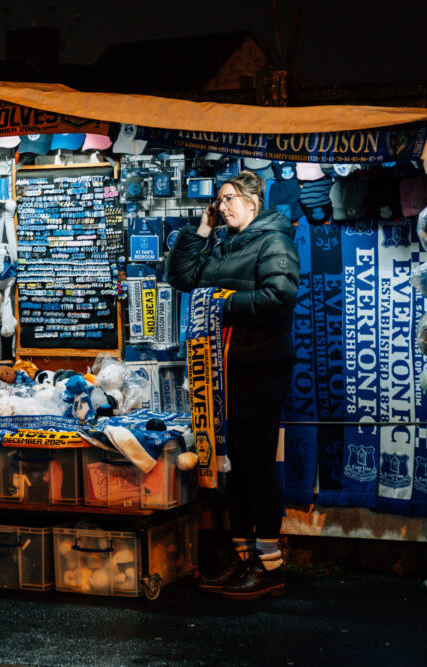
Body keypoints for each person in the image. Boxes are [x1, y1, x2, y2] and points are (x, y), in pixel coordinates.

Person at [166, 170, 299, 600]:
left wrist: (222, 304)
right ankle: (243, 556)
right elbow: (182, 278)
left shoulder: (273, 240)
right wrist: (201, 229)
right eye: (219, 202)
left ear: (252, 201)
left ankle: (270, 563)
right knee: (234, 466)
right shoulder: (223, 244)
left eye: (228, 200)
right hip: (223, 371)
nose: (221, 207)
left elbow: (279, 300)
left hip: (260, 367)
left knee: (257, 464)